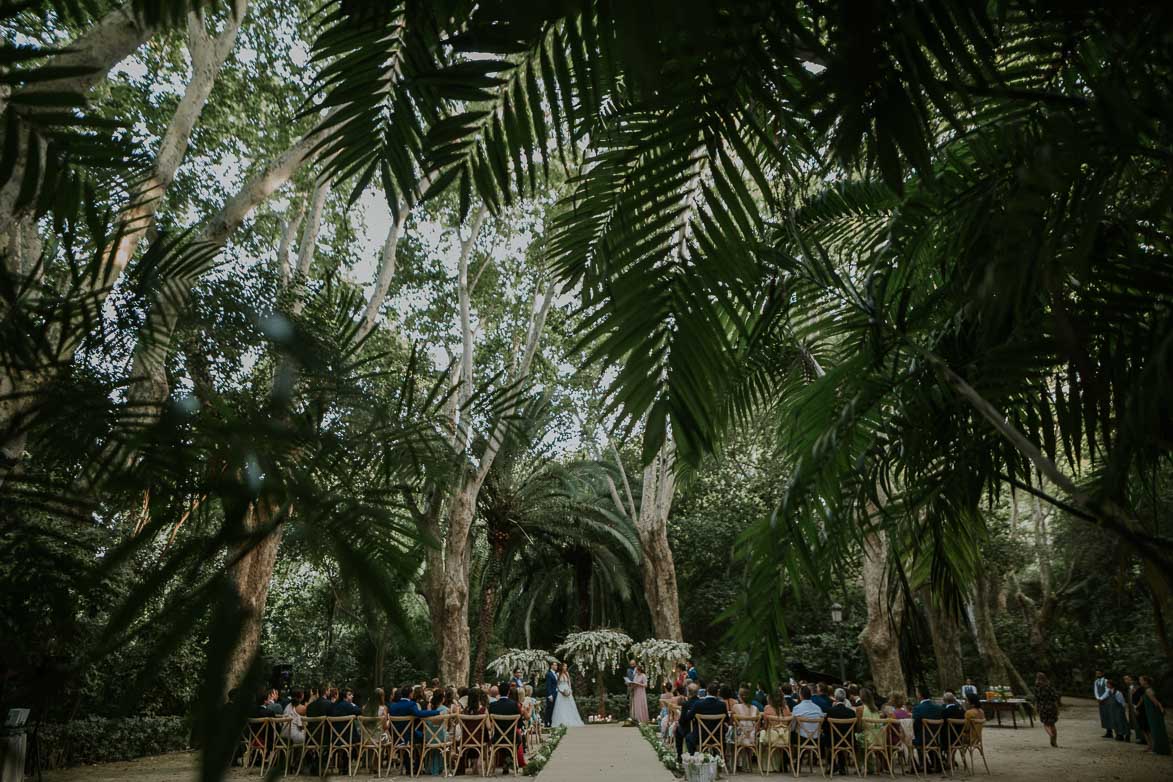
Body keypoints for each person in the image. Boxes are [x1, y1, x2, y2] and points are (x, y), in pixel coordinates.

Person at [488, 684, 524, 771]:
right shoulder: (514, 705)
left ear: (499, 692)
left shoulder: (493, 705)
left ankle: (506, 759)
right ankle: (508, 759)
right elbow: (519, 725)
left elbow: (489, 722)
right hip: (512, 738)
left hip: (497, 737)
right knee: (519, 738)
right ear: (508, 692)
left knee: (502, 740)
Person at [685, 681, 727, 753]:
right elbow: (727, 720)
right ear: (717, 693)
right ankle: (719, 758)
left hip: (701, 736)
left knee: (688, 738)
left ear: (707, 691)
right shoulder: (722, 705)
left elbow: (688, 717)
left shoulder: (698, 704)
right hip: (718, 737)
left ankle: (694, 758)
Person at [911, 685, 944, 772]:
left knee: (909, 739)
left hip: (923, 739)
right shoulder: (938, 708)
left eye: (917, 693)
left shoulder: (917, 708)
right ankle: (935, 763)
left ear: (920, 695)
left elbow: (915, 725)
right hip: (937, 738)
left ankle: (920, 765)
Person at [1139, 675, 1169, 755]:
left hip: (1153, 712)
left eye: (1141, 680)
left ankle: (1159, 749)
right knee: (1155, 729)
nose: (1140, 682)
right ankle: (1159, 748)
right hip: (1150, 712)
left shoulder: (1148, 690)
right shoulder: (1147, 690)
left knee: (1156, 729)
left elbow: (1155, 702)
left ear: (1145, 681)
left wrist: (1161, 709)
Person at [422, 688, 449, 775]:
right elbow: (446, 726)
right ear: (443, 698)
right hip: (441, 737)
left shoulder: (429, 710)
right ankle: (446, 765)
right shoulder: (445, 710)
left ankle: (429, 766)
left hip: (428, 737)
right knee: (450, 736)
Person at [550, 662, 584, 727]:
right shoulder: (557, 674)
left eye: (566, 666)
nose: (566, 668)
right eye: (564, 666)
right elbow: (557, 685)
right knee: (561, 707)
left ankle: (571, 719)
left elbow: (569, 683)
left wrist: (569, 691)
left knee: (570, 706)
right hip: (561, 691)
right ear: (562, 667)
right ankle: (561, 721)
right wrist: (561, 691)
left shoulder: (567, 674)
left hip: (567, 689)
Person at [673, 682, 701, 760]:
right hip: (702, 730)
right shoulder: (701, 703)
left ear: (688, 692)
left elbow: (682, 721)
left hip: (690, 731)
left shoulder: (686, 704)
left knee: (677, 730)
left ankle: (679, 756)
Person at [1034, 673, 1059, 747]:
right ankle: (1055, 740)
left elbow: (1037, 699)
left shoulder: (1037, 687)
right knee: (1052, 724)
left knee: (1045, 724)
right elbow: (1055, 697)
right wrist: (1057, 708)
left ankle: (1050, 735)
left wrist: (1036, 708)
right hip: (1051, 706)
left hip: (1042, 707)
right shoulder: (1049, 686)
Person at [1094, 669, 1113, 738]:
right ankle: (1108, 731)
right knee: (1103, 715)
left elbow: (1107, 690)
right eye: (1096, 673)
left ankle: (1110, 730)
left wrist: (1101, 698)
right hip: (1100, 701)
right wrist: (1097, 698)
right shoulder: (1096, 682)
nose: (1097, 675)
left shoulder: (1105, 681)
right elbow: (1095, 690)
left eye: (1099, 673)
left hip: (1106, 700)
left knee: (1108, 714)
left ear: (1102, 673)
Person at [543, 661, 559, 727]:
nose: (556, 667)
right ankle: (547, 722)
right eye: (555, 665)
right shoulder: (549, 674)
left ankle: (551, 721)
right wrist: (549, 695)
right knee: (549, 708)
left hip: (556, 693)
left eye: (556, 665)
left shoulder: (556, 674)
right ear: (551, 666)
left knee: (553, 708)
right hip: (551, 694)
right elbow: (548, 685)